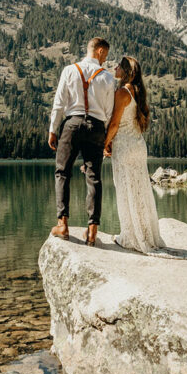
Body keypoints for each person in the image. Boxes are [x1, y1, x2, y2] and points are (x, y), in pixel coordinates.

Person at [48, 37, 117, 246]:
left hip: (72, 125)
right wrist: (107, 138)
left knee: (62, 173)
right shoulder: (107, 77)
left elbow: (59, 103)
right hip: (96, 127)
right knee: (94, 177)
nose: (106, 58)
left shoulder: (70, 70)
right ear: (99, 51)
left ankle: (63, 225)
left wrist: (53, 129)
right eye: (105, 54)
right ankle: (92, 231)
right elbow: (108, 112)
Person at [103, 56, 165, 254]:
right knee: (140, 190)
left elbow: (114, 124)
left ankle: (131, 237)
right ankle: (147, 235)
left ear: (126, 71)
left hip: (125, 147)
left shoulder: (123, 92)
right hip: (138, 146)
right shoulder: (138, 92)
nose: (114, 68)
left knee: (126, 189)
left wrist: (104, 144)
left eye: (118, 66)